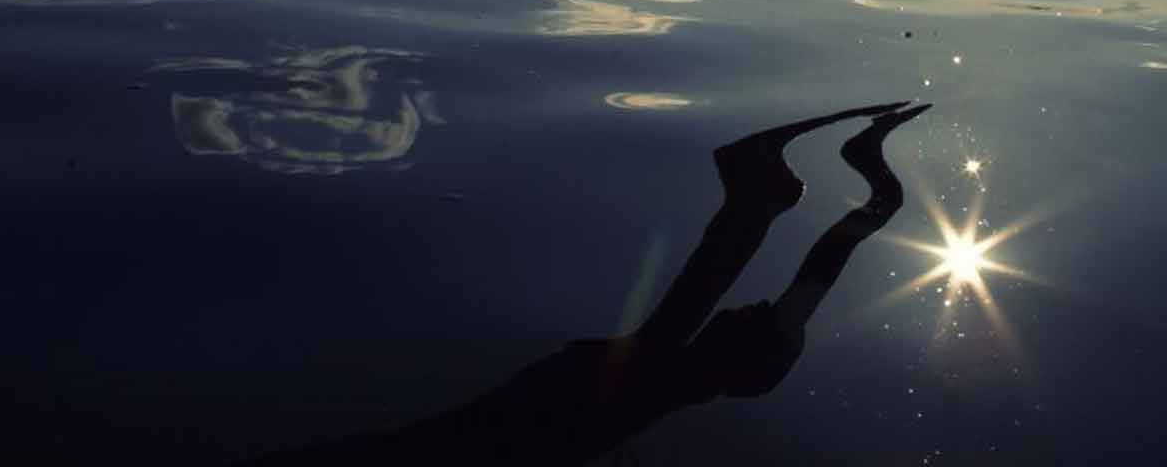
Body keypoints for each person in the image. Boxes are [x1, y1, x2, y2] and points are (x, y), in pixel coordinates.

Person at [248, 101, 931, 463]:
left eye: (751, 317)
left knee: (660, 348)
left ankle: (753, 193)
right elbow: (824, 264)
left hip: (547, 420)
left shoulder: (654, 383)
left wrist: (876, 188)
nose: (752, 304)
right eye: (761, 315)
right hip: (555, 413)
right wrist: (875, 181)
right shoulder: (668, 380)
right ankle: (753, 192)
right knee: (662, 345)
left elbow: (820, 267)